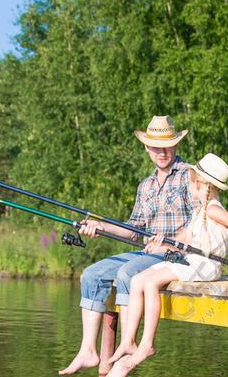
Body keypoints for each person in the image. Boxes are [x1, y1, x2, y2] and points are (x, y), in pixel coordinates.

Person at [59, 115, 194, 376]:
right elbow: (133, 230)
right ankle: (88, 349)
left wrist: (171, 242)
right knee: (92, 274)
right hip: (145, 253)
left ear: (176, 145)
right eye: (155, 146)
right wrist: (100, 226)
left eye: (166, 145)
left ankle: (128, 343)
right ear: (147, 148)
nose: (161, 152)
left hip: (174, 255)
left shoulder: (189, 176)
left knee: (127, 272)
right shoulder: (145, 185)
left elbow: (200, 220)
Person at [106, 153, 228, 377]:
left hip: (205, 265)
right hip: (192, 261)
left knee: (151, 282)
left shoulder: (214, 210)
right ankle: (128, 341)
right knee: (138, 280)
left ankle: (147, 344)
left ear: (199, 184)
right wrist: (162, 243)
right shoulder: (201, 211)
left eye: (190, 182)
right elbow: (185, 238)